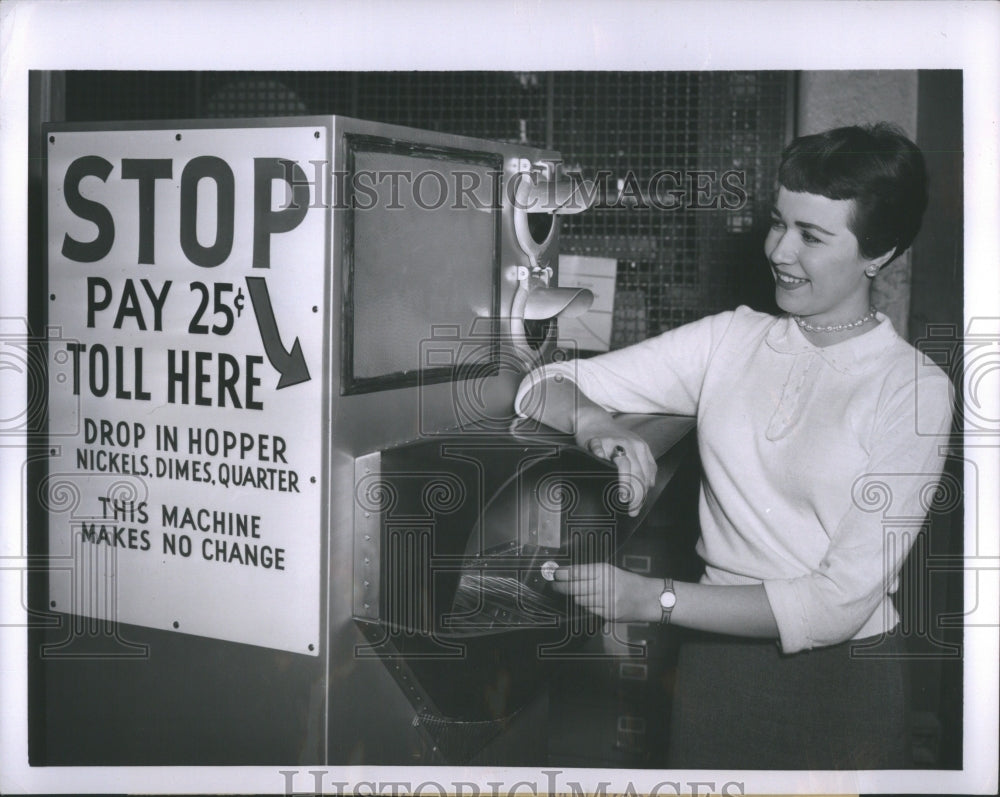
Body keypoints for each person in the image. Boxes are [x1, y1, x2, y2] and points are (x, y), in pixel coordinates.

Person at [514, 123, 954, 769]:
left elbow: (836, 602)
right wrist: (594, 424)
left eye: (812, 235)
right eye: (779, 222)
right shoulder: (730, 340)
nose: (779, 249)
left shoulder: (914, 388)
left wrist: (654, 599)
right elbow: (541, 384)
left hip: (843, 686)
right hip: (715, 668)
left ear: (878, 252)